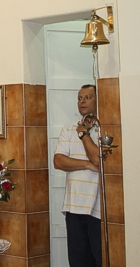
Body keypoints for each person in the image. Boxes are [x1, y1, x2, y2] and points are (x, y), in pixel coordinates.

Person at [53, 84, 101, 267]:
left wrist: (84, 134)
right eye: (80, 98)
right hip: (73, 207)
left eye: (88, 97)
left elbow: (97, 160)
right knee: (78, 261)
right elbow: (58, 161)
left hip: (97, 209)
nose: (82, 101)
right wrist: (86, 164)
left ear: (97, 99)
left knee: (100, 259)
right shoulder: (68, 128)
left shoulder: (104, 128)